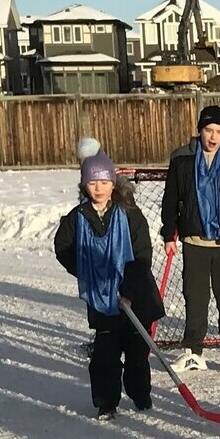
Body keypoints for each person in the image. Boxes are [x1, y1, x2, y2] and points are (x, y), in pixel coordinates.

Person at [55, 144, 164, 420]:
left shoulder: (130, 214)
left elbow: (142, 255)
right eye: (93, 183)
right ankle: (106, 402)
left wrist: (128, 289)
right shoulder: (77, 218)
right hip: (101, 297)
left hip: (134, 294)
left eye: (104, 182)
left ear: (113, 184)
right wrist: (87, 273)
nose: (99, 188)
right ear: (84, 185)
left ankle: (140, 395)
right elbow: (63, 247)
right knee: (105, 353)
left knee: (137, 352)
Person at [159, 105, 220, 373]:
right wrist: (169, 234)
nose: (213, 137)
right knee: (195, 297)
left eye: (219, 131)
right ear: (200, 130)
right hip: (194, 241)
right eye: (208, 130)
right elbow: (170, 199)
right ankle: (193, 352)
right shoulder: (181, 159)